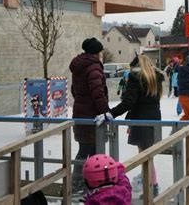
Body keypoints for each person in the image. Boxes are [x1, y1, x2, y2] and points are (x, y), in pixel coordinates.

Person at [95, 54, 164, 197]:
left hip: (141, 120)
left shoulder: (136, 78)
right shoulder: (154, 78)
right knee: (146, 155)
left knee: (145, 156)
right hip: (154, 119)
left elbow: (128, 102)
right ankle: (152, 184)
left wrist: (110, 114)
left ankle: (152, 187)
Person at [69, 37, 109, 194]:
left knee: (84, 149)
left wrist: (81, 102)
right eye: (100, 51)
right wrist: (105, 111)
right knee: (94, 151)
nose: (101, 54)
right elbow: (97, 92)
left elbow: (74, 89)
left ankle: (78, 183)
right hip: (93, 115)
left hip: (80, 113)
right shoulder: (93, 68)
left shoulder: (79, 66)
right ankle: (92, 184)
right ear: (96, 52)